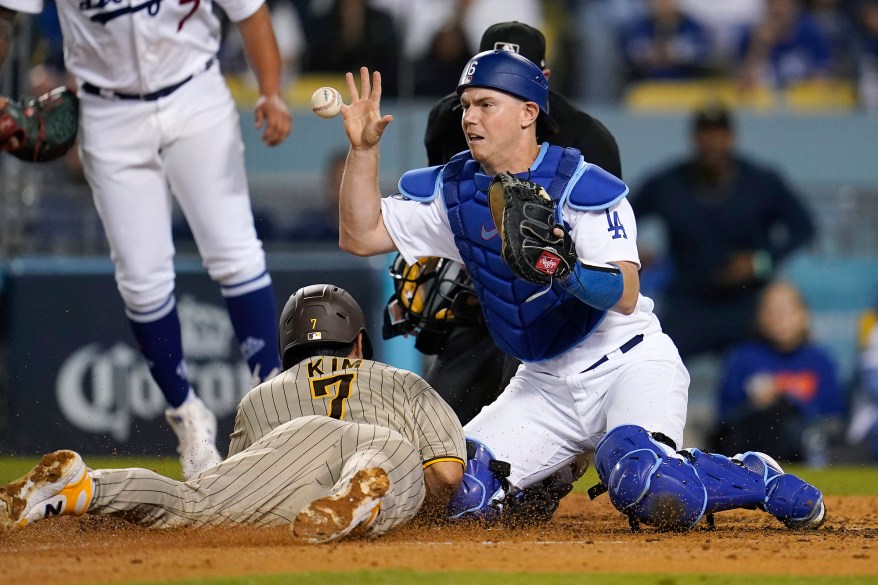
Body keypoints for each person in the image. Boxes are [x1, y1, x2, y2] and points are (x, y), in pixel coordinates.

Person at [335, 50, 825, 531]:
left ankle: (755, 476)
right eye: (466, 105)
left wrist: (562, 269)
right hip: (544, 382)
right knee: (463, 498)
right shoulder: (457, 190)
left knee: (645, 483)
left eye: (486, 104)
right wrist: (363, 151)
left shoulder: (580, 185)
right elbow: (360, 235)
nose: (469, 117)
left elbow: (627, 292)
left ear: (528, 113)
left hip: (626, 362)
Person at [0, 0, 292, 480]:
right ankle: (188, 416)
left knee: (235, 252)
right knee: (141, 279)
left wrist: (272, 92)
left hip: (195, 93)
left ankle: (277, 401)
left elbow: (250, 11)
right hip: (107, 111)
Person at [0, 284, 466, 544]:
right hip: (376, 448)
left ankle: (88, 485)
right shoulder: (403, 381)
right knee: (392, 451)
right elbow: (446, 476)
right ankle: (356, 496)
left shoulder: (260, 396)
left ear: (288, 347)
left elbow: (236, 489)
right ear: (360, 343)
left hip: (288, 459)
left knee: (193, 505)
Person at [393, 20, 623, 426]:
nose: (474, 115)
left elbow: (603, 249)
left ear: (541, 82)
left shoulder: (588, 136)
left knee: (523, 424)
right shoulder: (448, 119)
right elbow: (444, 211)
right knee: (440, 424)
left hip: (548, 299)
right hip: (478, 287)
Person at [631, 102, 816, 360]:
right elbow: (622, 214)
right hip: (690, 301)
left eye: (719, 133)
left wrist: (761, 261)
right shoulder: (668, 184)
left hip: (746, 301)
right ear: (694, 138)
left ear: (732, 138)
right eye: (704, 133)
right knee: (654, 359)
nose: (712, 142)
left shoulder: (761, 181)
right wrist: (632, 251)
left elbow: (804, 227)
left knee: (776, 359)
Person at [712, 281, 845, 465]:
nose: (780, 318)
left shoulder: (820, 361)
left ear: (803, 315)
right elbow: (724, 419)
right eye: (772, 311)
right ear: (759, 317)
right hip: (754, 449)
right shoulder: (742, 360)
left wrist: (789, 401)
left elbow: (833, 416)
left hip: (805, 448)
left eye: (787, 311)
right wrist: (754, 403)